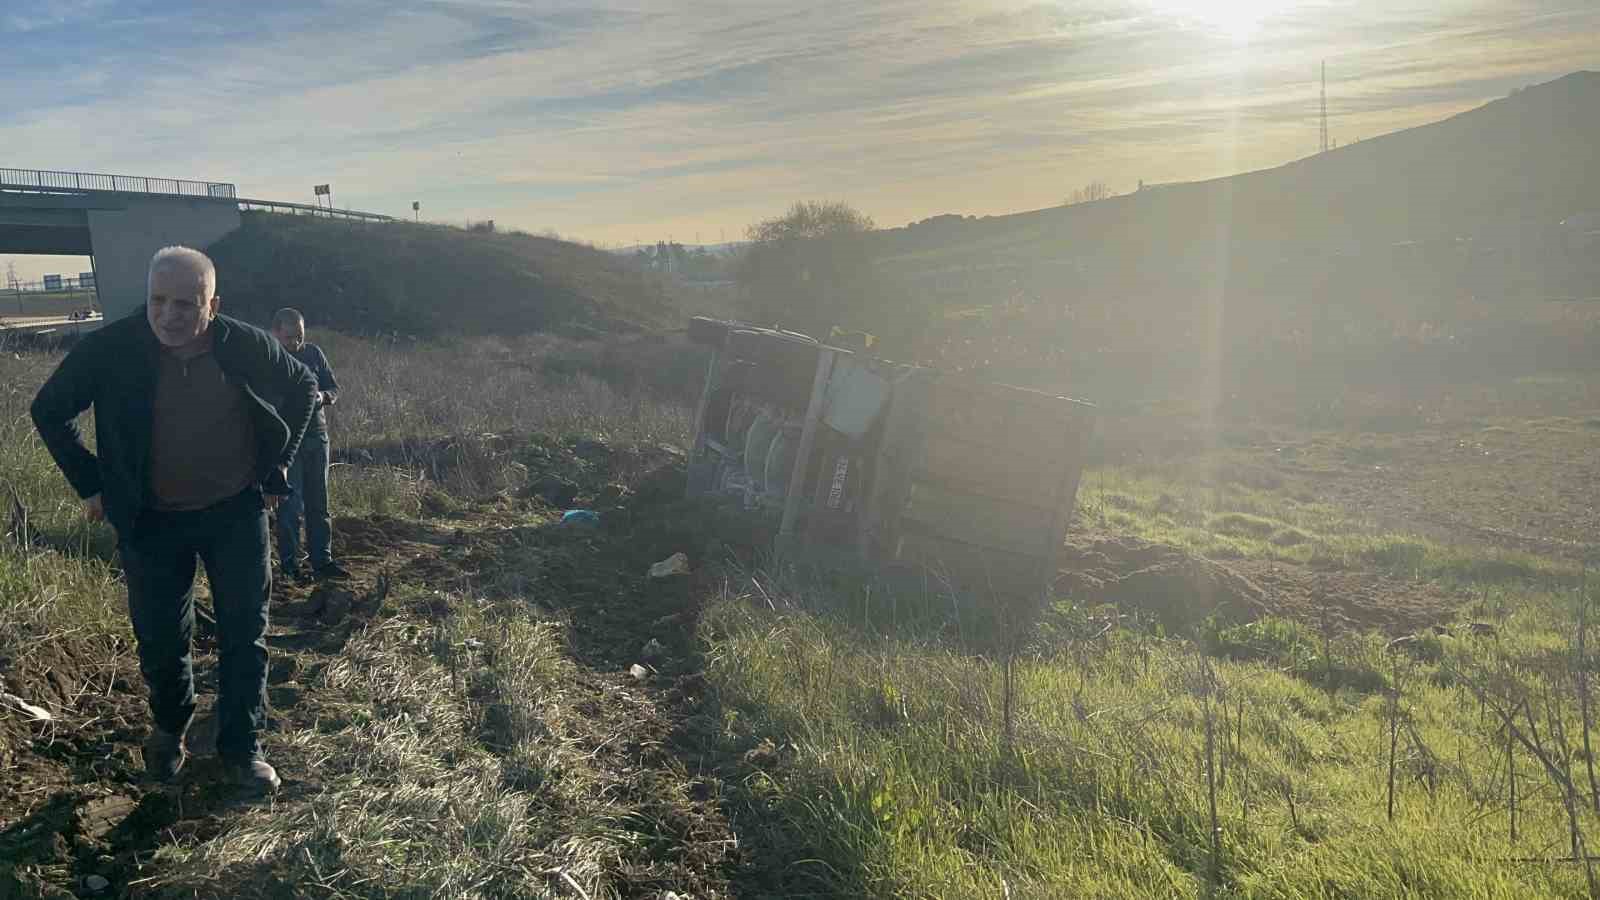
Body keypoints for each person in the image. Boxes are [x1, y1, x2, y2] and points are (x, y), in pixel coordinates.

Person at [31, 246, 318, 795]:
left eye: (186, 303)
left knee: (245, 634)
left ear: (213, 304)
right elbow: (48, 409)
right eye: (158, 300)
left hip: (235, 512)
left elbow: (303, 386)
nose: (169, 315)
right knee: (162, 640)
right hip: (151, 521)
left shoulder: (243, 343)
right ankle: (170, 731)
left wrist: (278, 463)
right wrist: (92, 483)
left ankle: (242, 748)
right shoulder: (111, 349)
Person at [269, 308, 345, 581]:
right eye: (290, 338)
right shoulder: (270, 358)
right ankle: (290, 566)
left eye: (299, 337)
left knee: (319, 503)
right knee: (291, 506)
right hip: (290, 443)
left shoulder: (314, 353)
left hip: (318, 437)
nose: (295, 343)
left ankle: (322, 562)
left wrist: (322, 397)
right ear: (275, 333)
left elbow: (334, 389)